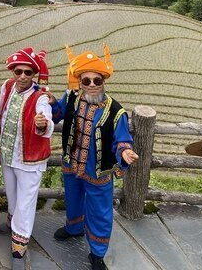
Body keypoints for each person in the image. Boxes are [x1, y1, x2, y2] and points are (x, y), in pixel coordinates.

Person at [49, 45, 139, 270]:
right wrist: (50, 103)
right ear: (79, 82)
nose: (91, 84)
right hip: (72, 164)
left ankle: (97, 253)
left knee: (100, 211)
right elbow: (57, 115)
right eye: (86, 80)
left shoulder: (116, 111)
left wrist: (125, 152)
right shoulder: (71, 98)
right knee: (73, 199)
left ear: (103, 81)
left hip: (98, 170)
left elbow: (122, 139)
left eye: (96, 80)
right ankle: (74, 228)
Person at [0, 47, 53, 270]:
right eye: (18, 71)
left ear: (34, 74)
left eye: (28, 72)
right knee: (12, 193)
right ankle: (11, 221)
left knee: (26, 202)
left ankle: (19, 245)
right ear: (13, 71)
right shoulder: (8, 86)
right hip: (8, 153)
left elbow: (46, 118)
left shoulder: (40, 97)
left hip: (30, 159)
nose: (22, 76)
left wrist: (43, 123)